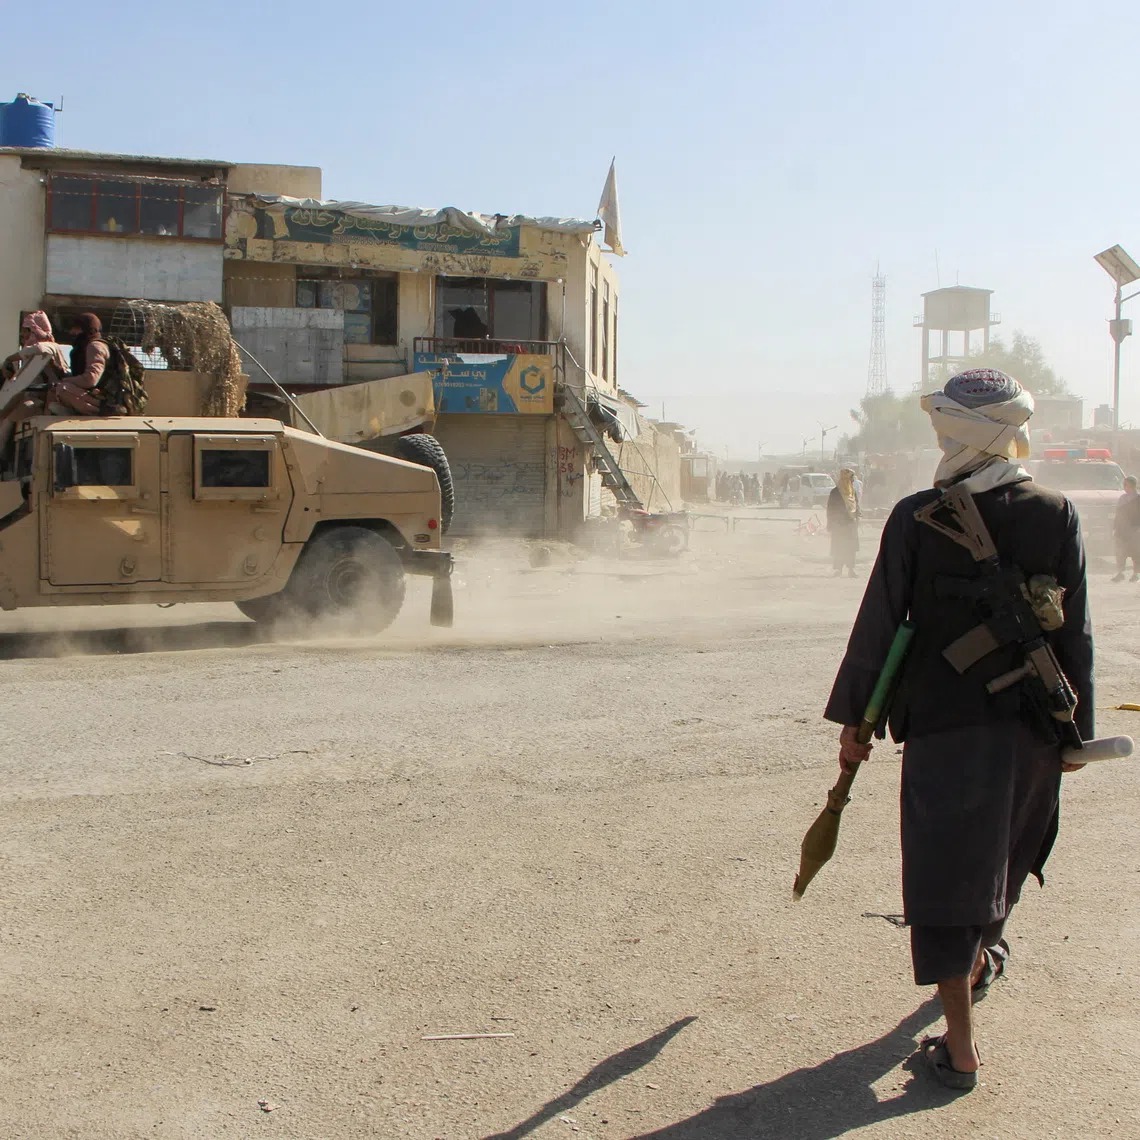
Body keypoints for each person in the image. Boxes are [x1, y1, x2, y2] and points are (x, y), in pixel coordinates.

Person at [824, 368, 1093, 1091]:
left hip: (944, 728)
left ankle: (962, 1047)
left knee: (947, 879)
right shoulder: (1054, 511)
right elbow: (1076, 635)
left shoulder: (917, 515)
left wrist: (857, 722)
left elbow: (880, 624)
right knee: (1003, 859)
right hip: (1033, 729)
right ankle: (978, 963)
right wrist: (1076, 733)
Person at [54, 313, 108, 415]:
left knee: (62, 388)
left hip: (103, 397)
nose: (72, 332)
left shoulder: (95, 346)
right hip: (92, 393)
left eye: (76, 329)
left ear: (85, 329)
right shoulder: (85, 346)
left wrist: (64, 381)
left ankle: (100, 410)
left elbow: (90, 379)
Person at [826, 468, 860, 576]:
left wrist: (858, 514)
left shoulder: (852, 492)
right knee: (839, 546)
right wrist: (830, 523)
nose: (853, 480)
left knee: (851, 547)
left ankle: (851, 569)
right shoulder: (835, 492)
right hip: (839, 524)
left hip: (850, 524)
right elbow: (830, 508)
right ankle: (839, 569)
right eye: (851, 478)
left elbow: (856, 505)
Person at [1111, 475, 1140, 582]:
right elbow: (1118, 513)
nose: (1124, 486)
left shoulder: (1138, 499)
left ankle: (1136, 574)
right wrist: (1115, 527)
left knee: (1136, 552)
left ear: (1132, 485)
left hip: (1134, 530)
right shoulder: (1122, 498)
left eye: (1126, 484)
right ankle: (1121, 573)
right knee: (1120, 551)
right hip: (1122, 530)